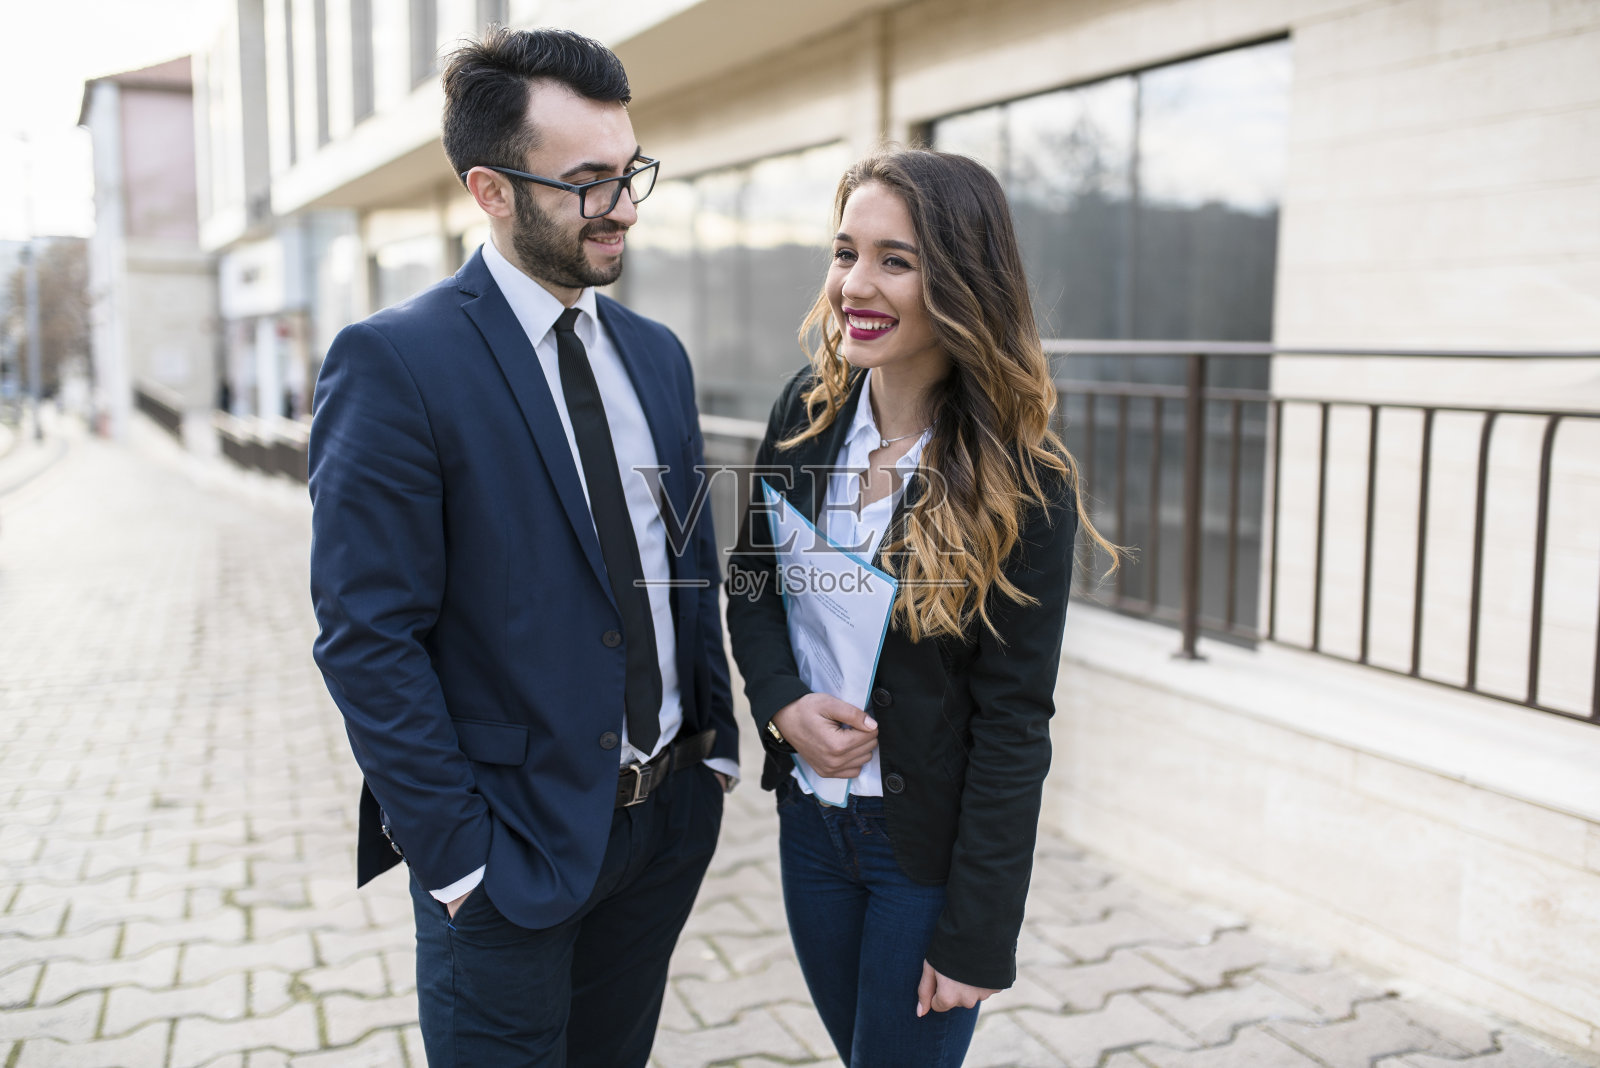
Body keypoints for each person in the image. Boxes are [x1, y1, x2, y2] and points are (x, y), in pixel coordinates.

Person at [308, 28, 738, 1067]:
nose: (624, 204)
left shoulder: (657, 356)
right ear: (491, 190)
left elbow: (681, 567)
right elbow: (367, 637)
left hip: (662, 829)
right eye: (588, 181)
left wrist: (711, 757)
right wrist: (458, 860)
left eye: (629, 170)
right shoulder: (394, 363)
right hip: (508, 859)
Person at [725, 149, 1118, 1067]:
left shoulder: (1026, 481)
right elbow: (750, 584)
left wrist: (979, 931)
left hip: (922, 860)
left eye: (894, 260)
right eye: (844, 252)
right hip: (812, 830)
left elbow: (1015, 721)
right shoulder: (806, 413)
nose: (854, 284)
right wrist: (782, 704)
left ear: (961, 283)